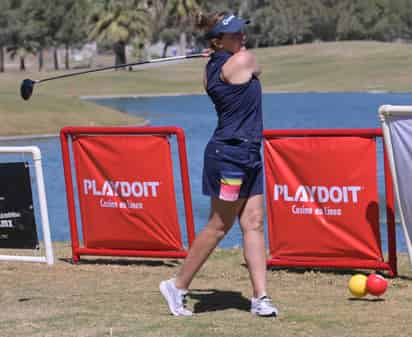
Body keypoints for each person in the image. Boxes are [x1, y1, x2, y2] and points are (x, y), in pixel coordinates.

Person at [159, 11, 278, 318]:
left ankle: (260, 297)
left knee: (253, 222)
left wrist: (217, 52)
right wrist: (225, 52)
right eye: (235, 34)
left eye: (242, 32)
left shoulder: (211, 67)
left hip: (248, 152)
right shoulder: (242, 60)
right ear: (217, 40)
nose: (243, 37)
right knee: (219, 225)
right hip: (230, 157)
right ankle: (178, 285)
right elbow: (257, 66)